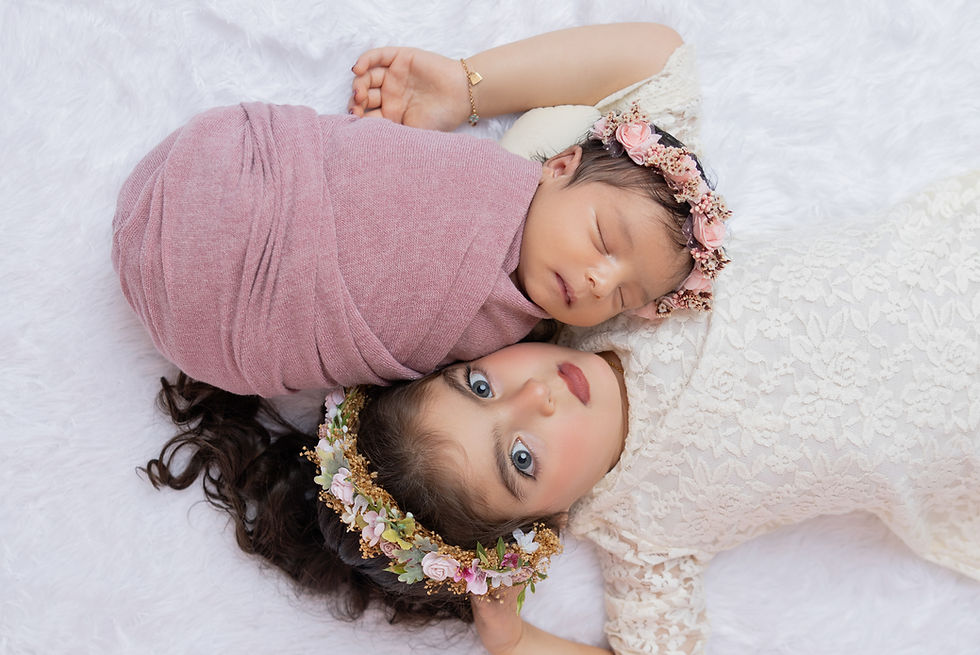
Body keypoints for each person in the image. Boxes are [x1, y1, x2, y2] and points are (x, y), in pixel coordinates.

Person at [145, 114, 980, 655]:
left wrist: (468, 82)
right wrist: (513, 641)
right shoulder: (642, 534)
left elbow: (655, 70)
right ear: (537, 526)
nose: (535, 397)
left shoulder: (584, 294)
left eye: (479, 385)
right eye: (519, 456)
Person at [111, 23, 731, 398]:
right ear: (561, 166)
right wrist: (468, 89)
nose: (601, 280)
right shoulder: (480, 180)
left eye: (622, 297)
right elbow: (357, 174)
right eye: (603, 238)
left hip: (237, 338)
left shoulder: (517, 345)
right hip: (251, 185)